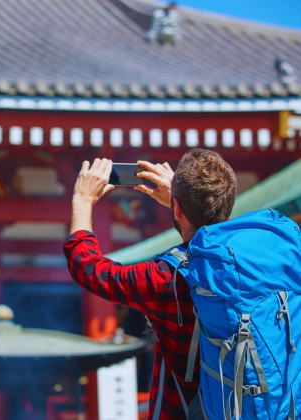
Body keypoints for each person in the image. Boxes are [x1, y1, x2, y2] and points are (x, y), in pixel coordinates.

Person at [63, 149, 237, 420]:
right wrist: (180, 201)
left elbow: (88, 268)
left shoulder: (167, 277)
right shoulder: (261, 265)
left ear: (176, 208)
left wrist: (82, 199)